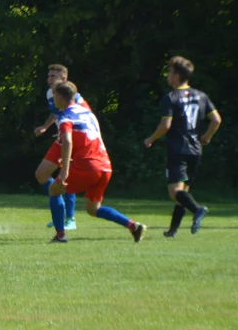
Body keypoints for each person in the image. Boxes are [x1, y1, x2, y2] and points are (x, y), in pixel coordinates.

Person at [48, 82, 146, 243]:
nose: (53, 100)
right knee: (93, 209)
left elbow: (67, 140)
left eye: (54, 96)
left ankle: (60, 235)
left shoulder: (66, 115)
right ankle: (133, 226)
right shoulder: (89, 114)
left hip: (88, 165)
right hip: (105, 165)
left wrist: (65, 169)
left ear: (60, 97)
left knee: (54, 189)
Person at [144, 56, 221, 237]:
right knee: (183, 193)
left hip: (178, 148)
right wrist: (207, 137)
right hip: (196, 150)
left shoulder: (171, 97)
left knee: (175, 192)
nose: (168, 76)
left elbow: (165, 126)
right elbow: (216, 120)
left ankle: (198, 210)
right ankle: (173, 230)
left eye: (170, 72)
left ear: (177, 75)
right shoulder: (201, 95)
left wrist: (151, 139)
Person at [34, 64, 82, 230]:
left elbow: (81, 116)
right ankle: (59, 215)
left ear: (64, 79)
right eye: (49, 76)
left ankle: (70, 219)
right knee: (45, 174)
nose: (49, 79)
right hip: (62, 138)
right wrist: (45, 127)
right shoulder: (50, 93)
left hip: (75, 140)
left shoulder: (74, 97)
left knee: (67, 178)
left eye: (53, 76)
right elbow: (55, 113)